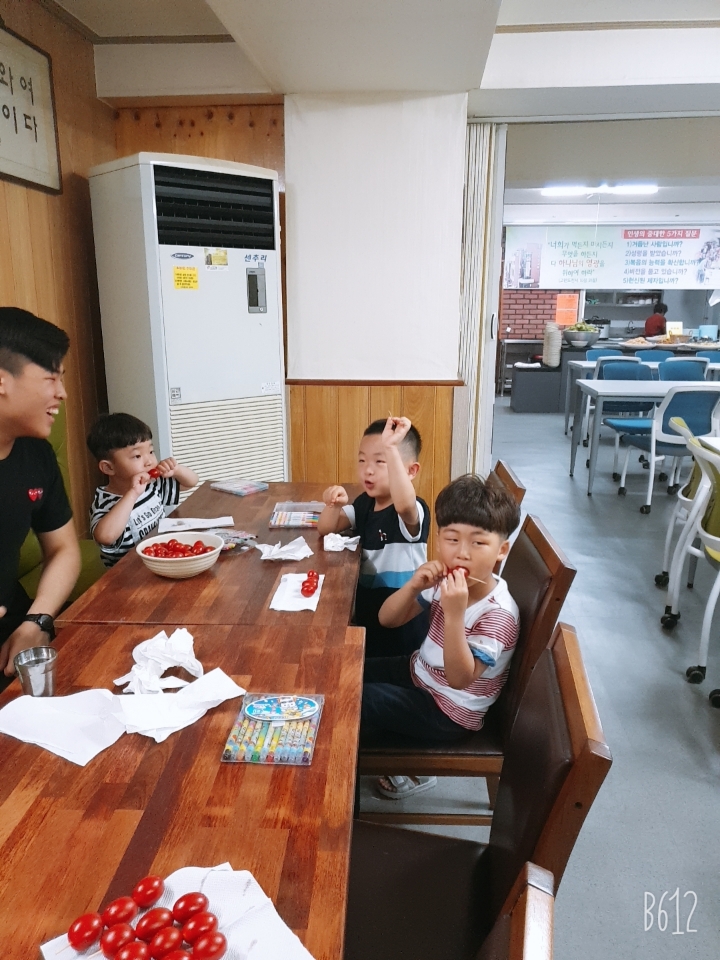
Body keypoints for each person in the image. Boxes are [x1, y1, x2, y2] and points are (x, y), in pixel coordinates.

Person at [361, 474, 521, 799]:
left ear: (501, 550)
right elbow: (387, 620)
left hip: (448, 711)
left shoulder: (498, 615)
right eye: (452, 539)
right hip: (420, 673)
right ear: (438, 539)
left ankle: (408, 771)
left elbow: (459, 679)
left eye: (478, 543)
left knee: (355, 699)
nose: (462, 553)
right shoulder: (445, 581)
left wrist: (455, 614)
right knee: (346, 670)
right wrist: (413, 586)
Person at [0, 307, 81, 681]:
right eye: (51, 378)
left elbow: (63, 548)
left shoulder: (36, 454)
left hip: (13, 630)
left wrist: (38, 620)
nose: (62, 393)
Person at [318, 416, 430, 658]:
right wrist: (332, 505)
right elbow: (326, 528)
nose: (367, 470)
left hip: (402, 627)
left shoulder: (413, 511)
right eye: (362, 460)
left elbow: (405, 504)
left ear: (411, 471)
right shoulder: (365, 503)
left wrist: (391, 446)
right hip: (369, 613)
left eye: (381, 461)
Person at [87, 413, 199, 567]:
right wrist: (132, 494)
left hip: (159, 559)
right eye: (137, 456)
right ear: (108, 467)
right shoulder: (105, 502)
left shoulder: (152, 485)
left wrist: (177, 470)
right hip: (128, 573)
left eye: (151, 451)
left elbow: (191, 482)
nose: (150, 461)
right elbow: (105, 537)